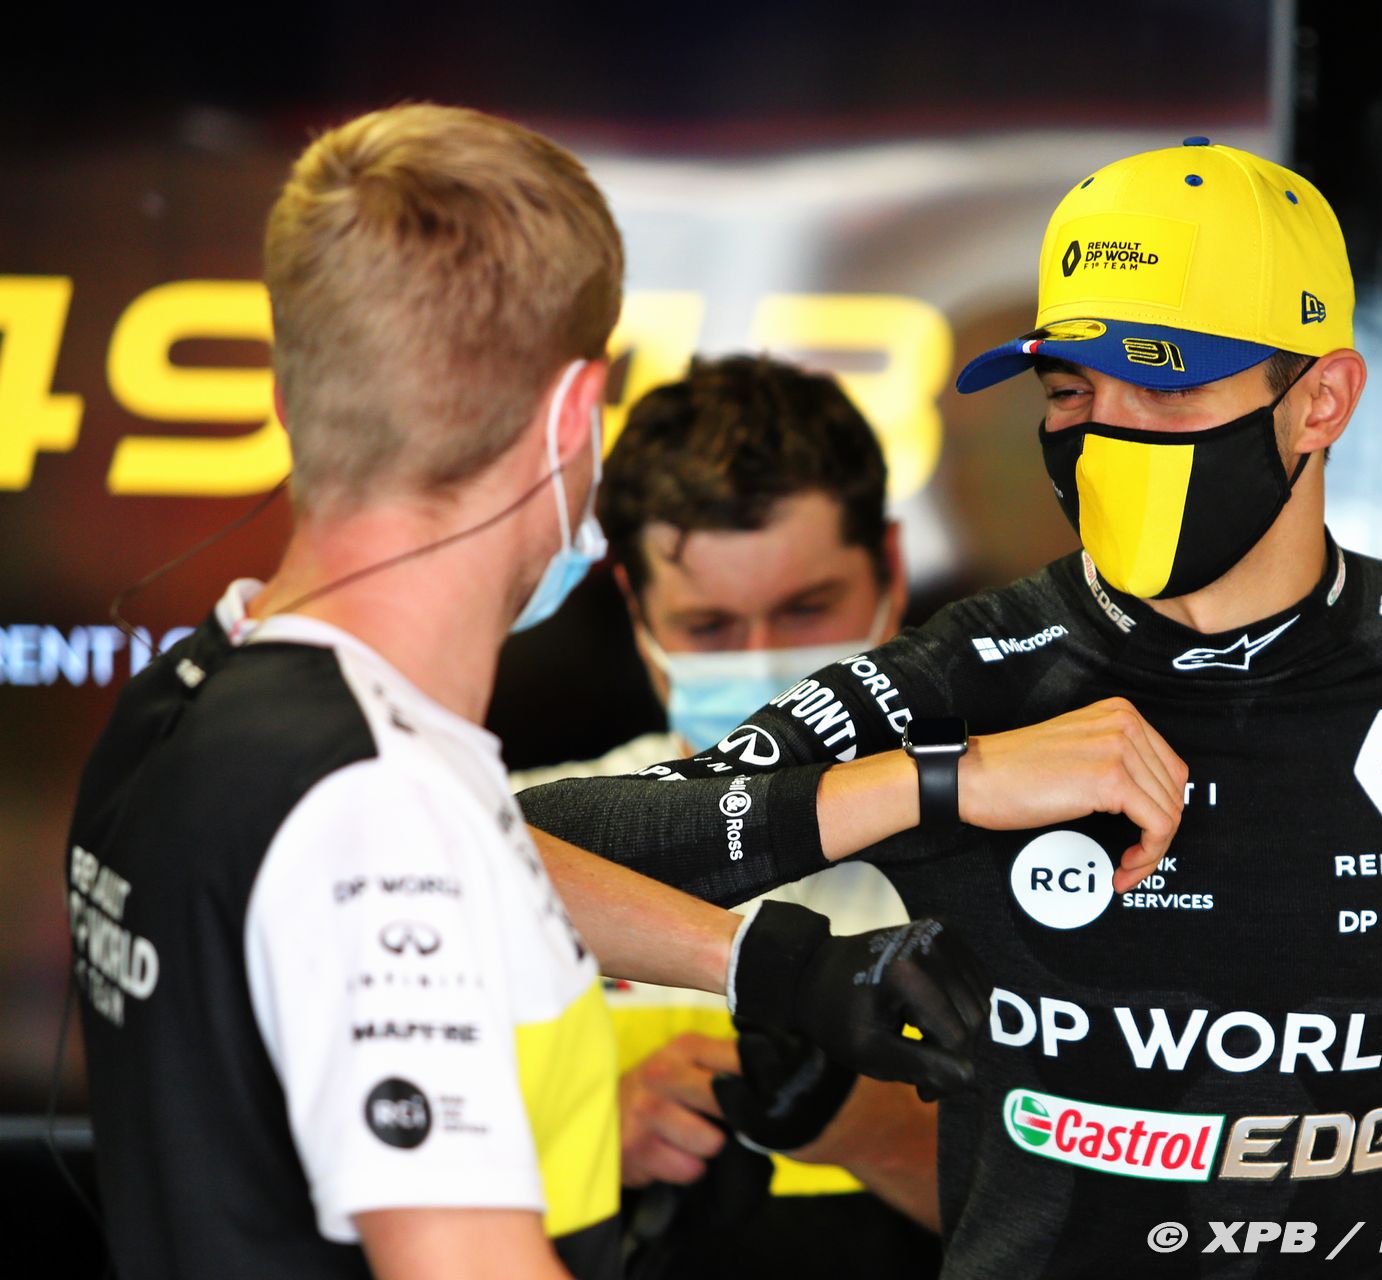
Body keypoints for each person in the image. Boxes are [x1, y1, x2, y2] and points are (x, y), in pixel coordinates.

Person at [520, 138, 1382, 1277]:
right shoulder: (975, 675)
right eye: (1070, 389)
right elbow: (514, 851)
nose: (1107, 435)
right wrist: (949, 781)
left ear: (1321, 400)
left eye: (1163, 385)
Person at [64, 104, 991, 1280]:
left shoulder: (191, 700)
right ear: (570, 421)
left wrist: (758, 959)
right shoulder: (374, 798)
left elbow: (486, 849)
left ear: (295, 392)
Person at [512, 354, 940, 1274]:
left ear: (893, 570)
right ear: (636, 610)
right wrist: (591, 1142)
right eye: (709, 628)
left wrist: (862, 1126)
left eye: (807, 609)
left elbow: (1118, 1232)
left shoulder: (1029, 854)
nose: (763, 664)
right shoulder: (514, 837)